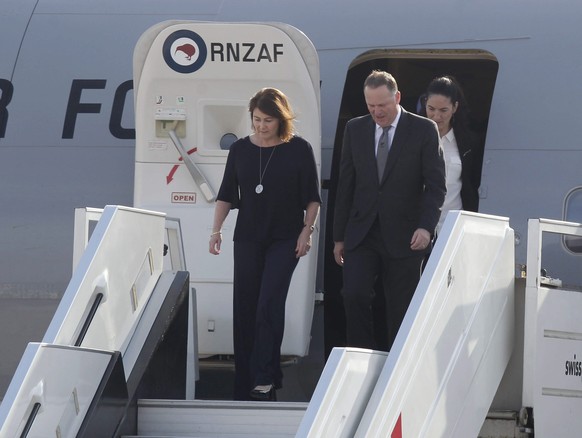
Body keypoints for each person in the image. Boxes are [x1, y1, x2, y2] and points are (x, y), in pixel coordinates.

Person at [209, 87, 321, 401]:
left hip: (285, 239)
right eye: (257, 119)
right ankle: (244, 381)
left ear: (281, 120)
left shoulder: (299, 149)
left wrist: (306, 231)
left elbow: (312, 199)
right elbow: (226, 195)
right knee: (245, 309)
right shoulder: (241, 150)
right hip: (247, 238)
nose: (261, 126)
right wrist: (215, 231)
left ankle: (265, 377)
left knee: (268, 304)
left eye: (268, 120)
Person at [333, 70, 446, 351]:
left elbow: (435, 186)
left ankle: (397, 365)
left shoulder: (423, 130)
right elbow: (345, 184)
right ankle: (361, 358)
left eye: (382, 105)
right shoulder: (355, 129)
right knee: (354, 294)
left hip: (405, 233)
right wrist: (339, 237)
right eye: (370, 105)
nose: (376, 112)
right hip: (363, 231)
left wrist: (426, 226)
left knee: (401, 306)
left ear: (397, 97)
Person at [421, 75, 481, 233]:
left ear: (455, 108)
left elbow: (473, 183)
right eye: (431, 109)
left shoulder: (468, 142)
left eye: (443, 110)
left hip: (454, 225)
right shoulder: (413, 137)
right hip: (419, 227)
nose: (436, 116)